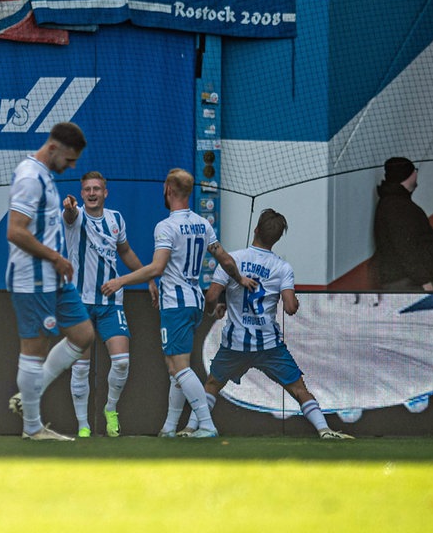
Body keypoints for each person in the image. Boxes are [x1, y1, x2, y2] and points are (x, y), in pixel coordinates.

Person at [101, 168, 256, 438]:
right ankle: (169, 428)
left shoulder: (166, 226)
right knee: (176, 367)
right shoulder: (202, 224)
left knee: (179, 367)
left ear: (168, 190)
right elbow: (227, 260)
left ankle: (206, 424)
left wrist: (121, 281)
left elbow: (157, 268)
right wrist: (239, 278)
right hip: (194, 301)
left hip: (176, 303)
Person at [193, 209, 353, 439]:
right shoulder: (282, 268)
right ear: (277, 239)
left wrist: (213, 310)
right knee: (299, 390)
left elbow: (210, 297)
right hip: (268, 345)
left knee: (212, 384)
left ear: (256, 229)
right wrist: (292, 300)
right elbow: (290, 307)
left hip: (235, 345)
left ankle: (195, 429)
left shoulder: (232, 259)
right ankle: (324, 430)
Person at [6, 122, 95, 441]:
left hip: (52, 276)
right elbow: (15, 231)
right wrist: (56, 257)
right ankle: (32, 428)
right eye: (69, 160)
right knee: (33, 350)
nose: (71, 167)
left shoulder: (43, 174)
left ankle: (28, 396)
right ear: (53, 148)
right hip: (33, 278)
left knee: (83, 334)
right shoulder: (30, 177)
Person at [61, 171, 157, 437]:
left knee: (122, 362)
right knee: (80, 367)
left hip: (110, 303)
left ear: (105, 192)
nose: (92, 193)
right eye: (87, 190)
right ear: (81, 194)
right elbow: (69, 216)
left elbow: (125, 251)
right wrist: (69, 209)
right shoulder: (75, 217)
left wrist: (148, 278)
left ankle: (110, 409)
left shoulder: (115, 219)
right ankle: (83, 425)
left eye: (97, 189)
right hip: (80, 304)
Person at [372, 157, 433, 291]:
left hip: (407, 280)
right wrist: (424, 281)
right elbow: (405, 247)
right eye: (414, 171)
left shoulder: (392, 204)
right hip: (411, 283)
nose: (416, 174)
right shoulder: (398, 206)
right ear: (408, 175)